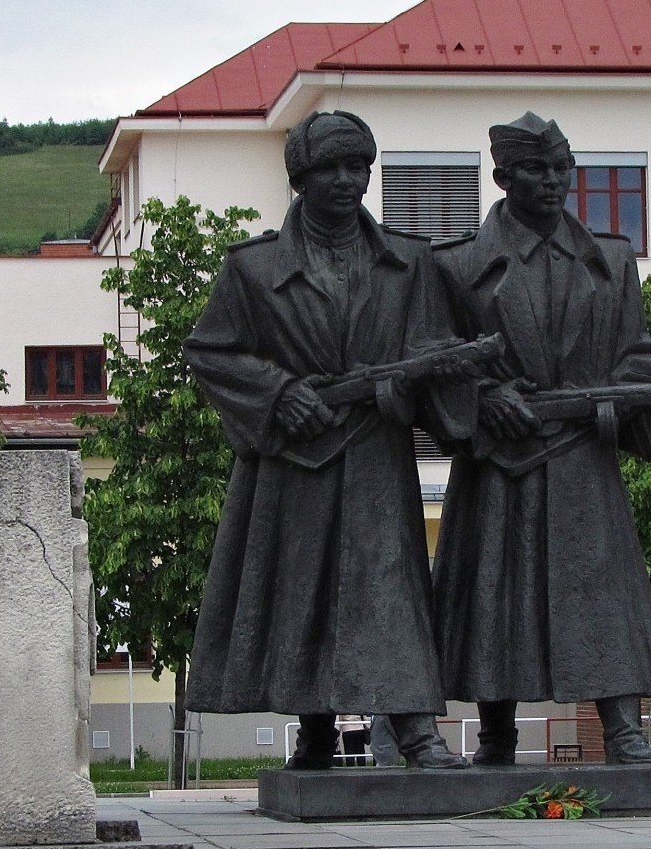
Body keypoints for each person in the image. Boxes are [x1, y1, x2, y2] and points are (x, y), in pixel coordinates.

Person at [184, 110, 470, 770]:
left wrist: (413, 389)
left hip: (375, 453)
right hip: (296, 461)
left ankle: (415, 731)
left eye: (358, 166)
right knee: (302, 589)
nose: (346, 181)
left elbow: (433, 357)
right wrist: (281, 393)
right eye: (330, 168)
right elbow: (211, 351)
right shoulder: (253, 270)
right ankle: (313, 734)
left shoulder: (410, 263)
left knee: (390, 587)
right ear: (300, 178)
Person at [432, 112, 651, 765]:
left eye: (561, 168)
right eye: (535, 169)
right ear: (502, 176)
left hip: (582, 460)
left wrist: (633, 398)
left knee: (602, 598)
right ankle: (495, 736)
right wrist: (486, 398)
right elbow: (436, 360)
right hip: (503, 464)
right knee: (496, 603)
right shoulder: (459, 264)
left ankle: (624, 731)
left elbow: (636, 352)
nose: (553, 182)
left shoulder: (609, 260)